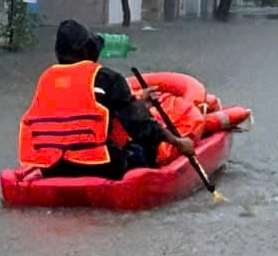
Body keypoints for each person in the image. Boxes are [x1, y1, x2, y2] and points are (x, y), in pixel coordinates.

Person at [18, 19, 195, 180]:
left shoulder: (46, 79)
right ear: (86, 49)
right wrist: (178, 142)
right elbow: (140, 126)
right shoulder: (107, 78)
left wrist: (139, 103)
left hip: (52, 167)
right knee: (141, 149)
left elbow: (75, 112)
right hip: (98, 165)